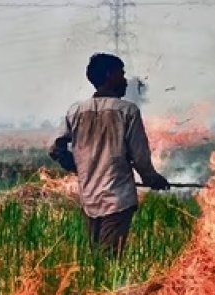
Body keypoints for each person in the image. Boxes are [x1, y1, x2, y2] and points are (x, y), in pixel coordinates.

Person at [49, 52, 169, 257]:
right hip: (117, 198)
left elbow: (54, 148)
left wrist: (76, 166)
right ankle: (104, 289)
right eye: (121, 74)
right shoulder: (127, 111)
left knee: (97, 257)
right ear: (108, 75)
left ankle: (94, 288)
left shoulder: (76, 111)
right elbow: (140, 157)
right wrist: (153, 179)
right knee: (109, 261)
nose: (124, 80)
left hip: (89, 198)